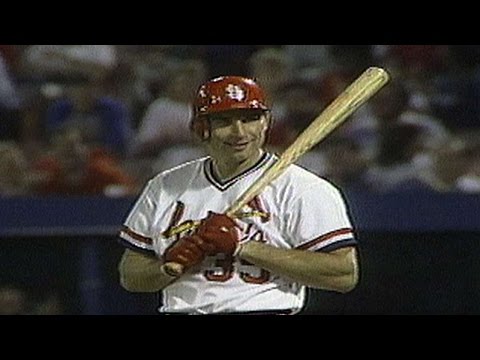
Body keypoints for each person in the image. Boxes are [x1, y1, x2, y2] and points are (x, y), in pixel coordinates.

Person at [117, 76, 359, 315]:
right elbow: (130, 276)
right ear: (201, 128)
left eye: (250, 119)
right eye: (224, 121)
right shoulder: (165, 186)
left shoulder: (303, 187)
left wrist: (242, 247)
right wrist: (166, 268)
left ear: (265, 122)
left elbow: (343, 274)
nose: (239, 132)